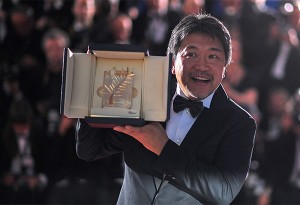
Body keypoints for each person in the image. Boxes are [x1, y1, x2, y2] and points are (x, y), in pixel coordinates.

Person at [76, 13, 256, 204]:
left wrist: (163, 147)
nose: (202, 66)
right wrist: (91, 93)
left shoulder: (240, 124)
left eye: (213, 56)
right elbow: (89, 151)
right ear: (172, 63)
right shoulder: (142, 97)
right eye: (191, 54)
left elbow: (222, 192)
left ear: (225, 67)